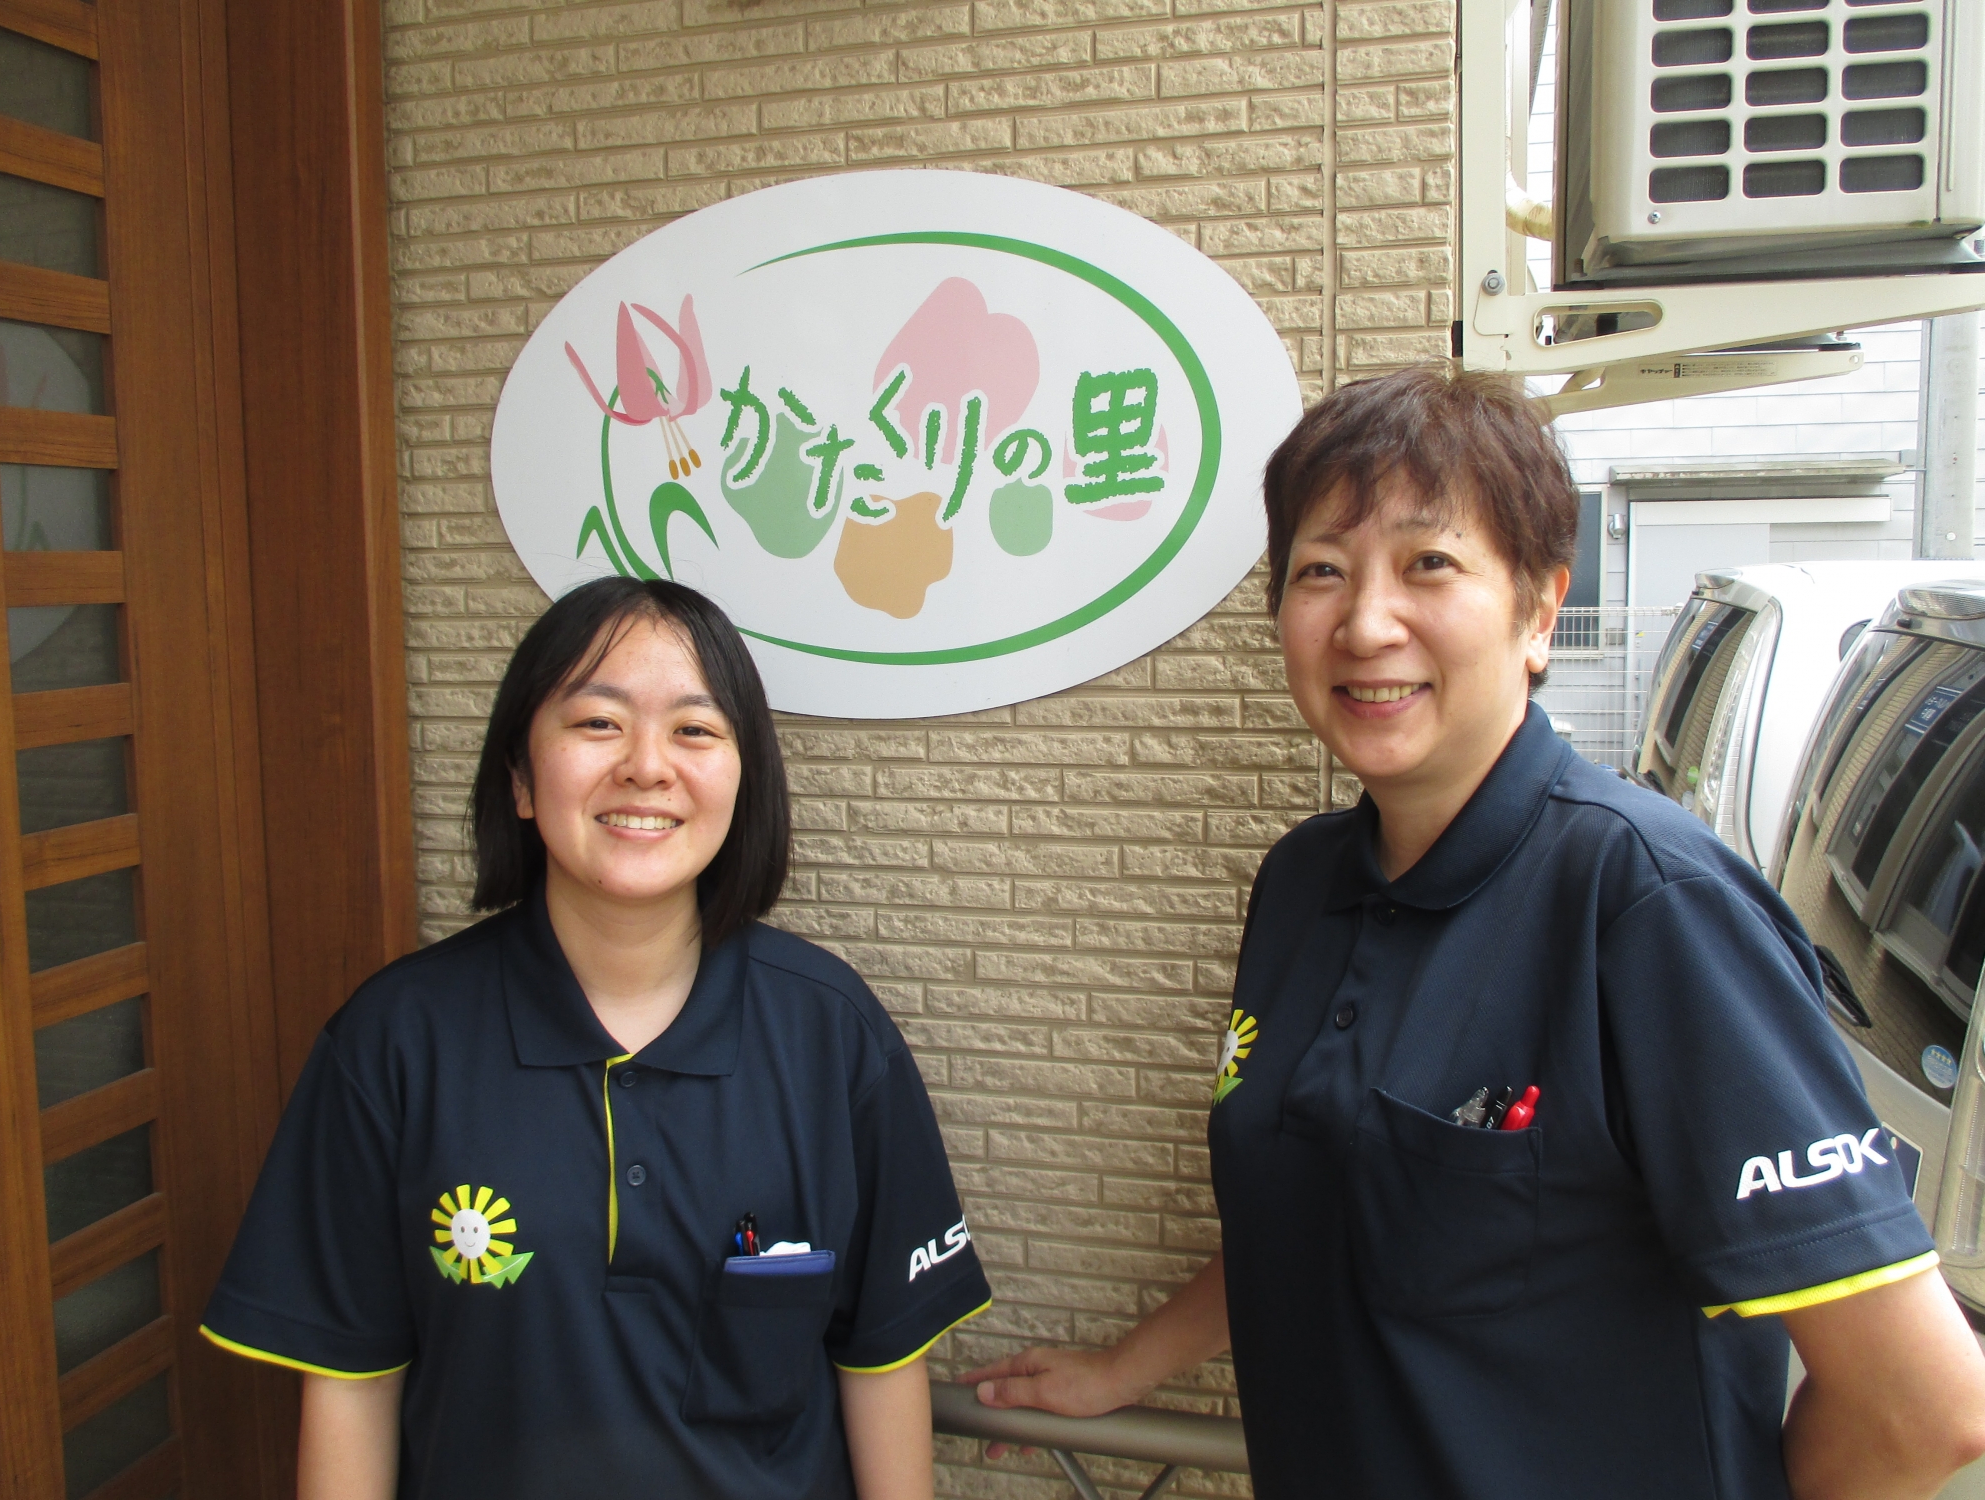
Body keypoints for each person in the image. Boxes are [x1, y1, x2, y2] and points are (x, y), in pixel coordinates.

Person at [964, 368, 1985, 1500]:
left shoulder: (1648, 906)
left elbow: (1922, 1408)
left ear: (1539, 611)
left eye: (1429, 564)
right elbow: (1325, 1209)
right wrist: (1122, 1370)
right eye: (1320, 570)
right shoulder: (1301, 884)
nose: (1365, 623)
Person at [201, 577, 990, 1499]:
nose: (647, 766)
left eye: (695, 730)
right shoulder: (393, 1044)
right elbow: (351, 1384)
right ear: (521, 779)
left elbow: (881, 1360)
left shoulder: (833, 1035)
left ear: (745, 780)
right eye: (598, 723)